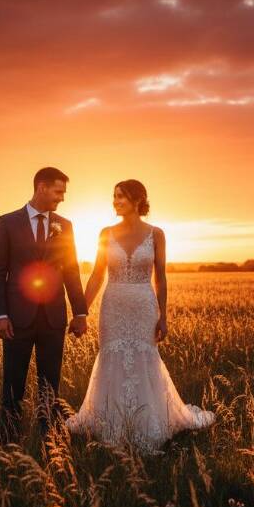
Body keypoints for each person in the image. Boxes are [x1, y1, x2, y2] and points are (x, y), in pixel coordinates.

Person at [65, 179, 215, 452]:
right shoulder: (105, 233)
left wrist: (163, 316)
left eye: (121, 196)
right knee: (113, 357)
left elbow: (161, 278)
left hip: (144, 306)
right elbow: (97, 276)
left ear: (137, 199)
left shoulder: (156, 234)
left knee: (145, 358)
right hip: (113, 306)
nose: (115, 201)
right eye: (113, 196)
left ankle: (148, 424)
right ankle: (110, 424)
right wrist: (80, 313)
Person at [0, 166, 88, 444]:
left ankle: (49, 440)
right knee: (13, 384)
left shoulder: (64, 225)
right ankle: (8, 441)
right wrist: (0, 315)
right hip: (17, 319)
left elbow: (71, 270)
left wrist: (80, 312)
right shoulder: (8, 222)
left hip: (53, 319)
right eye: (59, 191)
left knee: (49, 385)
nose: (62, 198)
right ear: (41, 187)